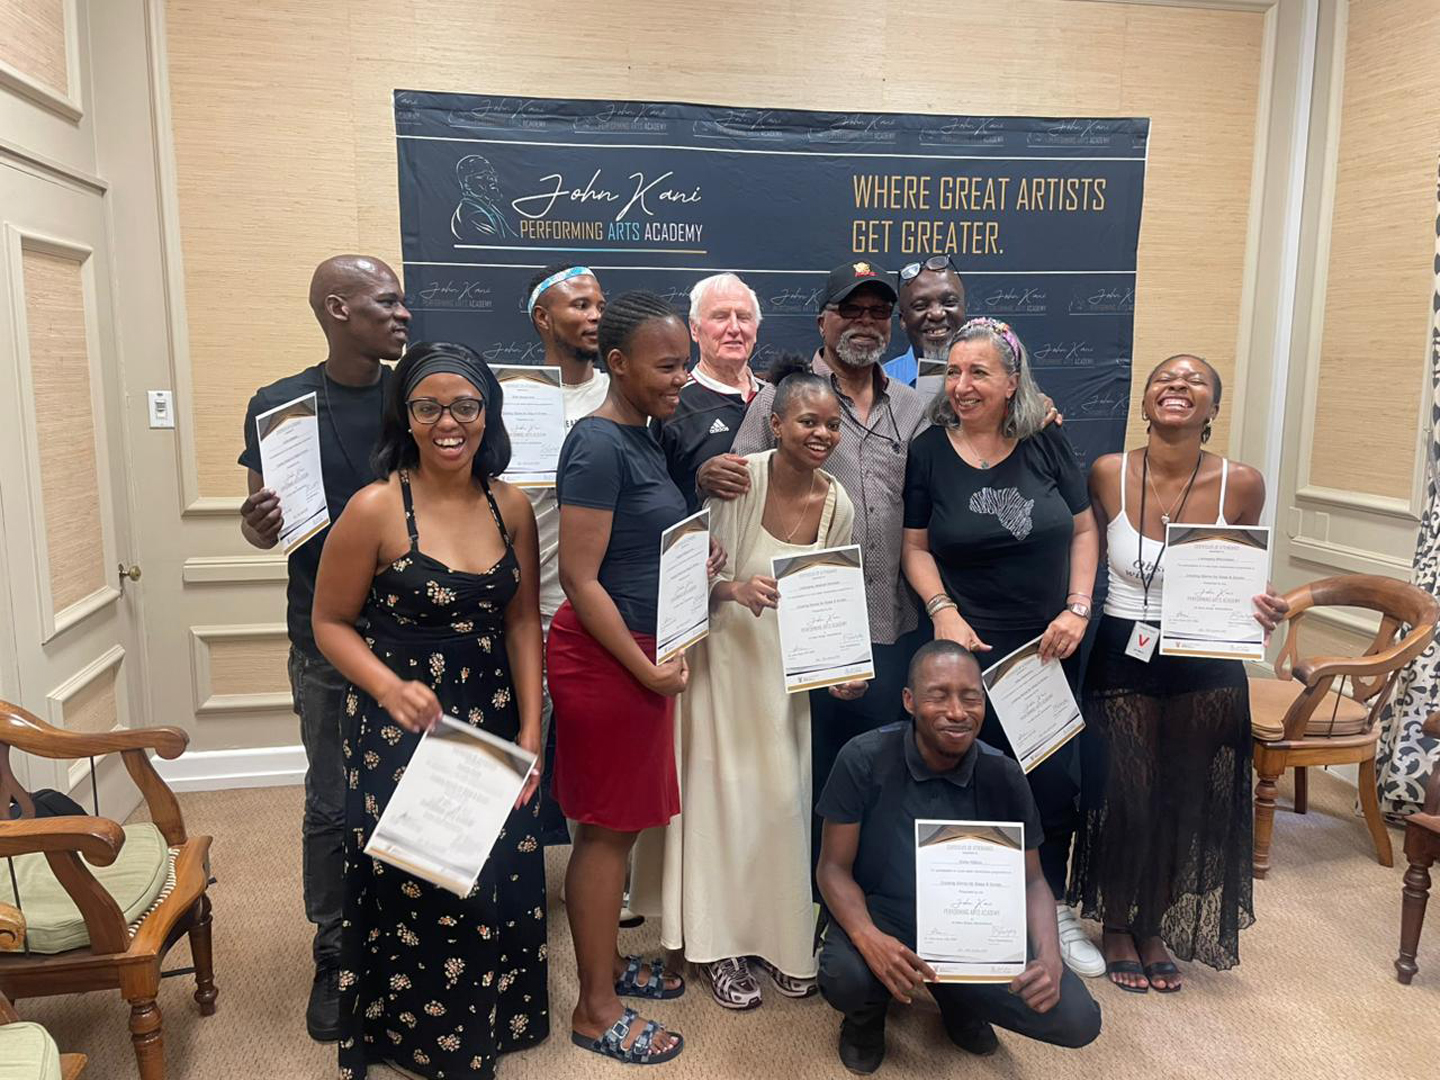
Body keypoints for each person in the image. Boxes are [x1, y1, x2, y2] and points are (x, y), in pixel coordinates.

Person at [311, 341, 547, 1079]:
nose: (449, 422)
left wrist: (533, 729)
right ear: (405, 417)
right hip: (401, 717)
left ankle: (489, 1024)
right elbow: (329, 622)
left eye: (465, 406)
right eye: (428, 407)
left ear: (488, 413)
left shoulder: (512, 505)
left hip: (492, 711)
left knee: (493, 862)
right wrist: (387, 688)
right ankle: (418, 1039)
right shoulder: (376, 507)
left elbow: (521, 620)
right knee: (424, 874)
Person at [1067, 353, 1288, 993]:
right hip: (1122, 651)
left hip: (1206, 661)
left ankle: (1153, 924)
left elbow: (1244, 572)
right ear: (1144, 402)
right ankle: (1116, 921)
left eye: (1195, 381)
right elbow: (1081, 545)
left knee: (1182, 799)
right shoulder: (1106, 472)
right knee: (1127, 797)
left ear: (1212, 407)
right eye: (1165, 378)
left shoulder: (1242, 483)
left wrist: (1265, 605)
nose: (1178, 386)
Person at [647, 354, 856, 1010]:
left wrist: (842, 671)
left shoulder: (839, 503)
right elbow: (687, 578)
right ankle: (719, 946)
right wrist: (734, 589)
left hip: (784, 676)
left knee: (782, 804)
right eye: (807, 421)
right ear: (776, 423)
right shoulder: (738, 482)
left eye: (832, 424)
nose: (821, 434)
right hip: (721, 665)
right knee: (721, 804)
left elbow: (833, 601)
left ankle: (779, 939)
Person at [236, 254, 409, 1042]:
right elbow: (264, 522)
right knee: (334, 801)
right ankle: (337, 952)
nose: (404, 315)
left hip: (417, 634)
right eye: (387, 302)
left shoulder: (416, 397)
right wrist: (255, 525)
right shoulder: (280, 407)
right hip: (325, 640)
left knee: (417, 791)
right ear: (339, 309)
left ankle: (410, 939)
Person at [901, 316, 1103, 978]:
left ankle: (1052, 908)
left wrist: (1077, 607)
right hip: (964, 648)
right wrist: (943, 612)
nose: (962, 385)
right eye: (954, 371)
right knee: (961, 778)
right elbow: (914, 547)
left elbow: (1083, 530)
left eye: (979, 372)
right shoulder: (929, 451)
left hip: (1047, 649)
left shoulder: (1046, 440)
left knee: (1051, 782)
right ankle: (964, 912)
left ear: (1012, 382)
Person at [549, 291, 720, 1065]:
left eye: (685, 363)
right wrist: (644, 669)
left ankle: (608, 966)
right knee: (605, 834)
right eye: (668, 366)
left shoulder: (645, 436)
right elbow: (579, 578)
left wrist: (697, 567)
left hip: (640, 653)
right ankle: (594, 1009)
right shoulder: (596, 444)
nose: (683, 378)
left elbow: (636, 551)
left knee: (615, 828)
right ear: (617, 364)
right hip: (607, 659)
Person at [714, 261, 930, 857]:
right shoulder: (778, 399)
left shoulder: (912, 406)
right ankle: (801, 890)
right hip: (798, 632)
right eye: (850, 310)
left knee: (873, 775)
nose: (865, 322)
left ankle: (855, 889)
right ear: (822, 322)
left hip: (888, 622)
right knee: (803, 774)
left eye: (878, 312)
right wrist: (708, 473)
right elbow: (737, 485)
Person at [815, 640, 1102, 1075]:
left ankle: (959, 996)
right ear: (909, 701)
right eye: (939, 695)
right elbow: (832, 869)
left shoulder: (1004, 775)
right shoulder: (863, 758)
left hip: (974, 927)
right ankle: (866, 1017)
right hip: (884, 913)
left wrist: (1049, 957)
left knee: (1078, 1019)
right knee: (846, 978)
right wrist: (868, 938)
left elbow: (1032, 881)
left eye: (971, 698)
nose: (957, 712)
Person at [658, 273, 763, 511]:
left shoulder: (778, 398)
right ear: (694, 329)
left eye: (743, 317)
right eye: (720, 316)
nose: (734, 328)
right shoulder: (670, 405)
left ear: (756, 329)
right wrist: (699, 485)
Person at [882, 255, 967, 388]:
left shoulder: (992, 378)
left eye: (949, 302)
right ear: (903, 320)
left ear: (964, 309)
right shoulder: (879, 383)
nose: (937, 314)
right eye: (920, 306)